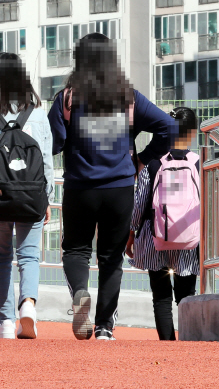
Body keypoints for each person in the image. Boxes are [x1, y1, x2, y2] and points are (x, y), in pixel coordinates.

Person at [48, 33, 177, 341]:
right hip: (119, 189)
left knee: (76, 249)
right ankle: (105, 326)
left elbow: (53, 143)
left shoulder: (67, 98)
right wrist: (141, 159)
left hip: (80, 188)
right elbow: (169, 128)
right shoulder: (127, 98)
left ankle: (80, 293)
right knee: (111, 257)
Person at [0, 53, 55, 340]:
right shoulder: (38, 115)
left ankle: (5, 322)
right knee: (29, 256)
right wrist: (48, 198)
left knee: (2, 258)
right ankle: (27, 305)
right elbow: (47, 162)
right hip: (32, 198)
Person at [127, 107, 200, 341]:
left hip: (154, 238)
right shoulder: (200, 165)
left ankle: (167, 345)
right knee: (186, 296)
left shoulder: (153, 165)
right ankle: (189, 341)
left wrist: (131, 235)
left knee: (161, 297)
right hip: (189, 240)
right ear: (192, 133)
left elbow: (139, 206)